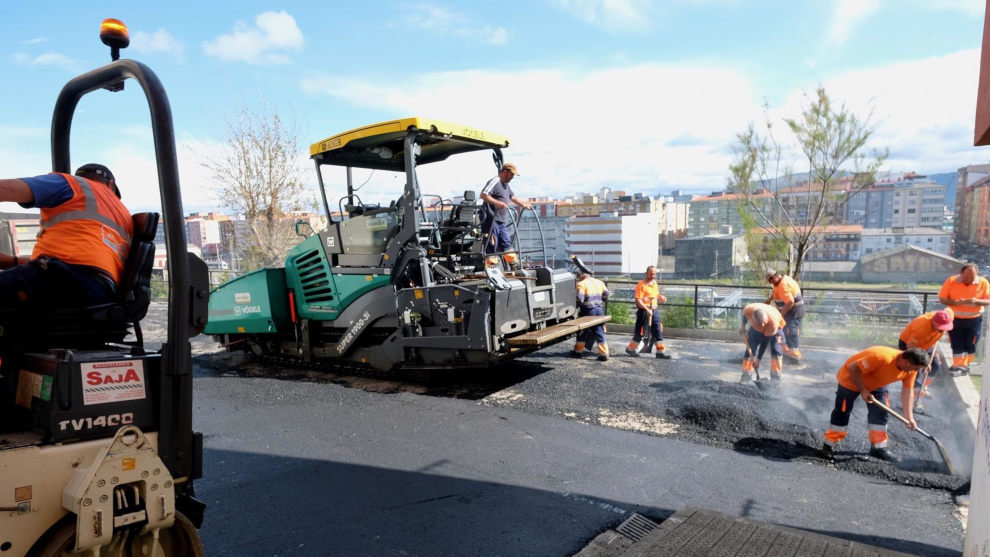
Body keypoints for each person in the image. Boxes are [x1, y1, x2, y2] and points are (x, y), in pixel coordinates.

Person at [0, 164, 132, 315]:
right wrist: (12, 261)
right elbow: (79, 258)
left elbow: (7, 189)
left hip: (67, 281)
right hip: (101, 292)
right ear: (111, 184)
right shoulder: (124, 215)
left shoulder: (73, 184)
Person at [821, 346, 929, 462]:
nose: (916, 371)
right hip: (850, 381)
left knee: (881, 413)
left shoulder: (910, 370)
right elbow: (853, 368)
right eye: (915, 368)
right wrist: (863, 390)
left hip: (877, 383)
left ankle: (878, 448)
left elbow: (907, 391)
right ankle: (828, 446)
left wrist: (909, 418)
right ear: (907, 362)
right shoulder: (882, 357)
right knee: (842, 412)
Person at [937, 262, 990, 376]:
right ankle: (958, 366)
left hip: (974, 320)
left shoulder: (983, 282)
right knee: (956, 342)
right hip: (955, 319)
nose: (969, 280)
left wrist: (976, 301)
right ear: (961, 273)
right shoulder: (951, 281)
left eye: (972, 278)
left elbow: (988, 301)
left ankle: (963, 366)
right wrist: (955, 302)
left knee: (971, 343)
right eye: (966, 277)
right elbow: (942, 298)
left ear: (977, 274)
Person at [479, 163, 531, 271]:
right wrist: (497, 202)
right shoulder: (495, 181)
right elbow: (483, 194)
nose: (512, 177)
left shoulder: (506, 185)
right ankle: (491, 269)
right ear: (505, 172)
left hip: (500, 221)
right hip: (490, 220)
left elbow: (513, 196)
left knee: (506, 243)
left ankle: (514, 265)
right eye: (511, 175)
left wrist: (523, 205)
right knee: (492, 245)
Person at [898, 309, 953, 404]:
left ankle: (922, 388)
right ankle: (914, 398)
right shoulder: (922, 328)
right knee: (916, 371)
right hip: (910, 346)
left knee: (935, 366)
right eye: (940, 327)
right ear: (933, 322)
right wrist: (923, 363)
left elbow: (950, 310)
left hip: (927, 344)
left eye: (944, 328)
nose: (942, 330)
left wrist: (929, 361)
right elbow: (911, 348)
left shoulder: (945, 319)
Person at [625, 265, 671, 359]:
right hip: (643, 311)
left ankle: (660, 352)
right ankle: (630, 349)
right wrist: (647, 310)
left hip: (654, 310)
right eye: (651, 273)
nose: (653, 275)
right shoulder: (641, 285)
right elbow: (638, 300)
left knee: (658, 330)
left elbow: (655, 294)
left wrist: (660, 297)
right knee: (640, 332)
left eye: (654, 274)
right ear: (646, 273)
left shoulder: (654, 283)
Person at [738, 302, 787, 383]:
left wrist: (758, 359)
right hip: (756, 327)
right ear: (753, 319)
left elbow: (764, 342)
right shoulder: (749, 308)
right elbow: (745, 315)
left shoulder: (773, 324)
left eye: (764, 322)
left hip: (776, 328)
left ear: (766, 318)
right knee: (750, 348)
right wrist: (743, 326)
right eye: (761, 324)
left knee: (776, 349)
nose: (763, 325)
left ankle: (776, 378)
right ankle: (746, 376)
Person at [766, 269, 806, 362]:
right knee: (785, 332)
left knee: (791, 333)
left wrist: (781, 315)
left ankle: (795, 357)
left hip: (793, 313)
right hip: (791, 312)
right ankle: (788, 353)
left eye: (770, 281)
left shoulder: (783, 285)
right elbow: (776, 292)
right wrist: (769, 299)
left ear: (774, 277)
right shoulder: (781, 281)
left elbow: (790, 302)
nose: (771, 283)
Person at [572, 271, 610, 361]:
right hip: (599, 310)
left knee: (582, 331)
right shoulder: (599, 282)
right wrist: (598, 302)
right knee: (599, 331)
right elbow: (606, 295)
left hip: (587, 311)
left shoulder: (581, 284)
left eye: (578, 276)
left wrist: (574, 308)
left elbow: (580, 299)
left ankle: (578, 351)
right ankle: (604, 353)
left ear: (581, 275)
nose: (578, 278)